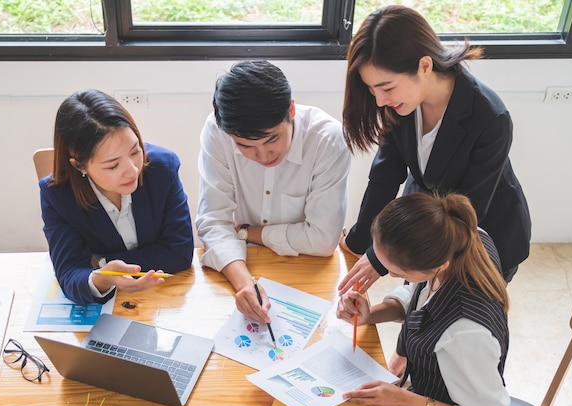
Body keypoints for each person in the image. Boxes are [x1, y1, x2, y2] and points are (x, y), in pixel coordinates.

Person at [337, 5, 531, 296]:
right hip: (423, 226)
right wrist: (359, 240)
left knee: (451, 317)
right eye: (372, 89)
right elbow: (385, 176)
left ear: (424, 66)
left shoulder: (490, 117)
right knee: (414, 307)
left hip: (479, 231)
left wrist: (381, 258)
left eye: (386, 87)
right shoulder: (402, 103)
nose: (378, 101)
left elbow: (467, 210)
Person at [196, 60, 351, 323]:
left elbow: (324, 240)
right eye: (246, 147)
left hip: (308, 266)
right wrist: (245, 284)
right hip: (242, 260)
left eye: (272, 139)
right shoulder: (217, 131)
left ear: (291, 109)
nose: (263, 155)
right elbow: (213, 220)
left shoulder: (328, 140)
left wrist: (247, 232)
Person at [337, 192, 510, 406]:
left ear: (438, 265)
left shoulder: (465, 332)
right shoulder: (459, 236)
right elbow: (417, 296)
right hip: (422, 391)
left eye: (396, 272)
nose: (389, 274)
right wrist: (370, 315)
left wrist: (410, 402)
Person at [39, 89, 194, 305]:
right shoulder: (57, 195)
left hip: (165, 298)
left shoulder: (161, 168)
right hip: (111, 306)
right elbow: (69, 273)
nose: (132, 170)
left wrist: (100, 262)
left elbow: (180, 252)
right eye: (113, 165)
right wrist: (103, 278)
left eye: (135, 151)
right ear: (79, 166)